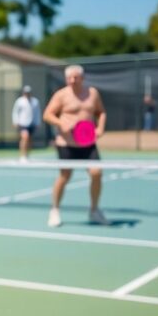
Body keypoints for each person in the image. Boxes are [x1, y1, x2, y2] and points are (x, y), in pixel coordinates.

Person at [42, 65, 109, 227]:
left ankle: (94, 210)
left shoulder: (93, 93)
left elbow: (101, 112)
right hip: (66, 143)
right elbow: (47, 114)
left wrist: (100, 127)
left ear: (82, 78)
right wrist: (60, 123)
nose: (72, 80)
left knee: (96, 173)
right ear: (66, 79)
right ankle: (55, 210)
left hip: (88, 143)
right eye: (69, 77)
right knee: (65, 176)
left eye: (76, 77)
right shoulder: (61, 95)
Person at [11, 85, 42, 162]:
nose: (27, 94)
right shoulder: (19, 101)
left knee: (30, 140)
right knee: (25, 137)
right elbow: (15, 112)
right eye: (25, 92)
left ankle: (27, 154)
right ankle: (22, 156)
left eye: (28, 92)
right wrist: (15, 121)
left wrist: (37, 122)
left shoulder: (35, 101)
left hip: (32, 124)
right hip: (22, 123)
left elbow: (37, 113)